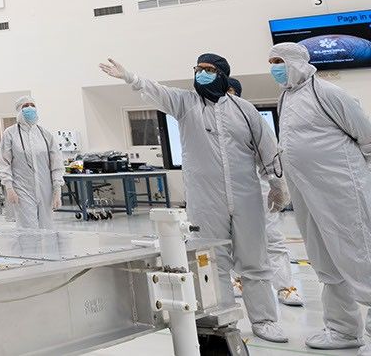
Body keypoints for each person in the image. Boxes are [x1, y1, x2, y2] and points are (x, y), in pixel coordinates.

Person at [100, 54, 290, 343]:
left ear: (223, 74)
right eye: (198, 69)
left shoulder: (244, 110)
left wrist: (278, 185)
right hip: (205, 200)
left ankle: (264, 320)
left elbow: (267, 148)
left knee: (255, 261)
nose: (201, 74)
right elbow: (158, 91)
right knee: (214, 263)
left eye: (208, 70)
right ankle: (225, 319)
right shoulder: (186, 104)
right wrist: (130, 77)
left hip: (246, 196)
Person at [269, 43, 371, 352]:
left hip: (340, 189)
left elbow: (364, 135)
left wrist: (361, 179)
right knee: (325, 262)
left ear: (297, 61)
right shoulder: (285, 98)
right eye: (271, 61)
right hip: (306, 193)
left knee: (358, 255)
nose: (274, 66)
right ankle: (343, 331)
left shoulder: (327, 92)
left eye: (279, 61)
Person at [225, 77, 303, 308]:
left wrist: (278, 187)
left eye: (229, 91)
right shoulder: (207, 121)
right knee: (230, 239)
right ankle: (235, 280)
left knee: (272, 238)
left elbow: (271, 154)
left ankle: (285, 288)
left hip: (258, 189)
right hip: (226, 191)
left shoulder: (252, 118)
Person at [0, 96, 65, 229]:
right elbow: (4, 162)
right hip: (22, 188)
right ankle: (28, 250)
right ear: (19, 110)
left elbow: (56, 163)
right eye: (25, 106)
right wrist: (9, 188)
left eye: (32, 105)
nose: (30, 108)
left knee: (47, 229)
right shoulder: (10, 133)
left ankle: (47, 251)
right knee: (27, 229)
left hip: (45, 189)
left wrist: (57, 190)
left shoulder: (45, 134)